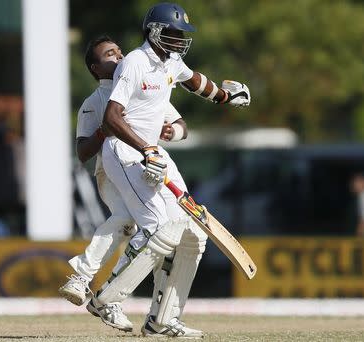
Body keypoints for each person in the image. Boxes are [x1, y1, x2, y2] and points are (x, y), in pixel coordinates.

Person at [88, 2, 250, 337]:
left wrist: (224, 96)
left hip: (154, 153)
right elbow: (112, 118)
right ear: (154, 32)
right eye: (173, 33)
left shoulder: (171, 61)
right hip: (125, 153)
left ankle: (163, 319)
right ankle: (106, 299)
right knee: (159, 229)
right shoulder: (134, 62)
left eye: (182, 34)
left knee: (192, 235)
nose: (179, 40)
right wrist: (145, 148)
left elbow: (195, 82)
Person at [58, 35, 207, 335]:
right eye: (108, 55)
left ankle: (160, 318)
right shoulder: (95, 102)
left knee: (167, 235)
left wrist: (172, 131)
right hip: (112, 169)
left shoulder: (143, 79)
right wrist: (105, 129)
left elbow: (181, 126)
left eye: (118, 51)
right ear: (95, 69)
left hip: (146, 163)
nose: (118, 56)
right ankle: (86, 280)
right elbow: (83, 152)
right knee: (132, 222)